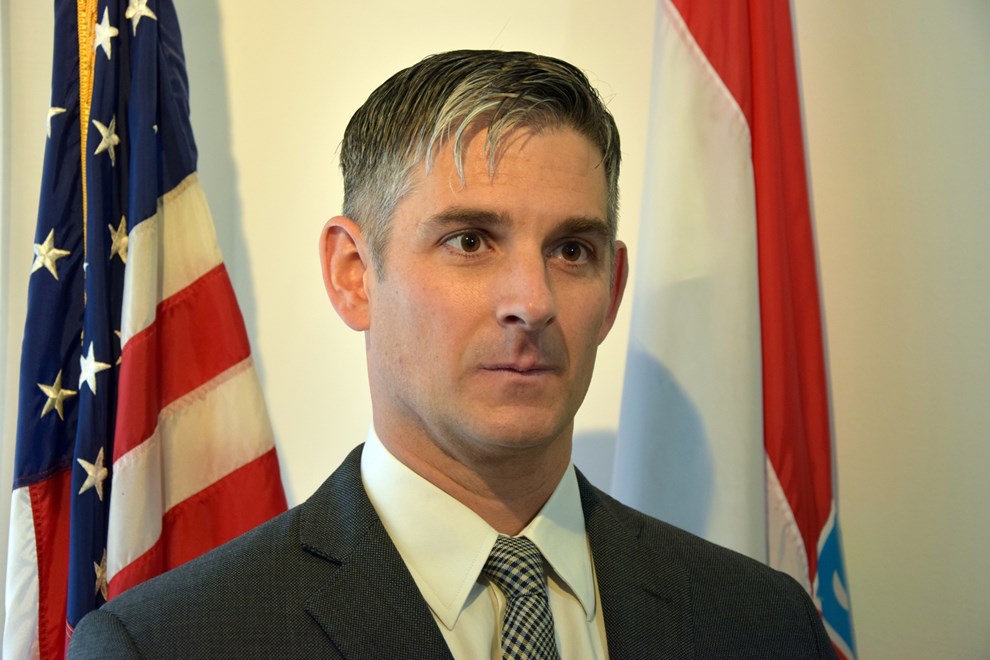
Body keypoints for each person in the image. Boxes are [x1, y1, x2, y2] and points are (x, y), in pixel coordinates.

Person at [69, 50, 836, 659]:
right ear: (353, 275)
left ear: (613, 287)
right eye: (470, 241)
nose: (532, 301)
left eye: (572, 250)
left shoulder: (763, 624)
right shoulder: (170, 643)